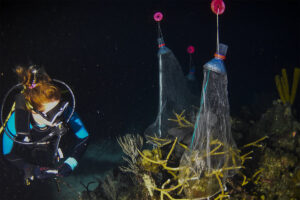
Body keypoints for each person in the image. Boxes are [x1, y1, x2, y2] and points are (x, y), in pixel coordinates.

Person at [1, 66, 89, 184]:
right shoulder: (17, 121)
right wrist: (29, 168)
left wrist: (71, 162)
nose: (58, 117)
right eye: (51, 113)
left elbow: (84, 137)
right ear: (33, 110)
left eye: (59, 108)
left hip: (57, 152)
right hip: (28, 154)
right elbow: (8, 153)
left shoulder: (66, 111)